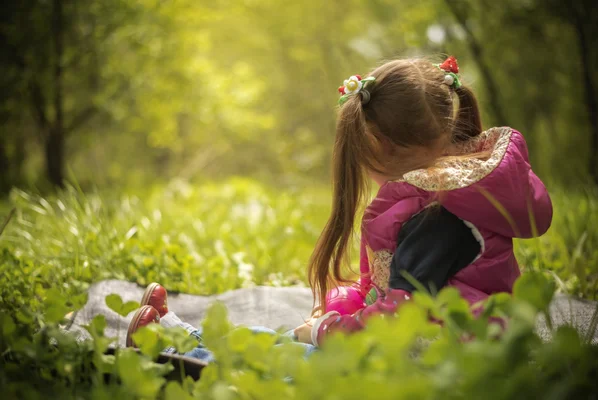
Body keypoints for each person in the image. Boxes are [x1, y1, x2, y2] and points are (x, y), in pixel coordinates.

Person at [125, 55, 552, 356]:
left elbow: (402, 317)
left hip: (444, 360)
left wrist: (327, 331)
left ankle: (180, 346)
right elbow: (389, 291)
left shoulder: (440, 218)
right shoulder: (444, 196)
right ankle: (184, 336)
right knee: (300, 342)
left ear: (381, 145)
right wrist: (339, 306)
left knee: (296, 358)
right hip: (436, 342)